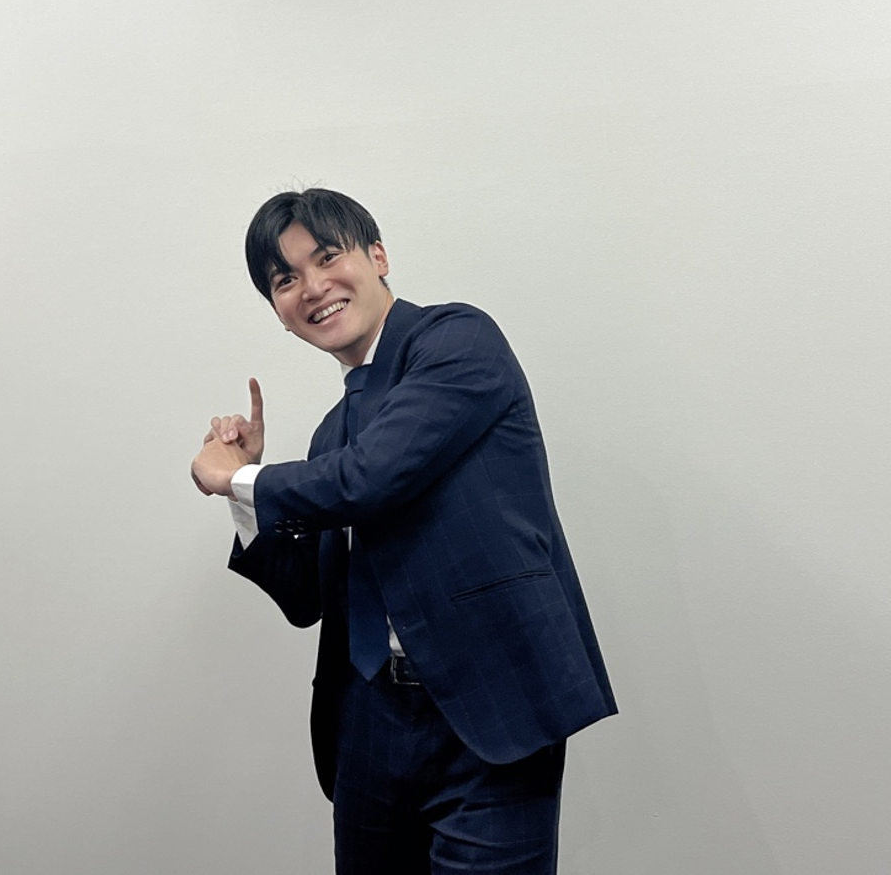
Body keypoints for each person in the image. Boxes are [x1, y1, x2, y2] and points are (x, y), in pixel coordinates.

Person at [190, 188, 615, 874]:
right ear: (278, 313)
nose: (312, 287)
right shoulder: (333, 432)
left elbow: (372, 478)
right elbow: (305, 599)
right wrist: (247, 488)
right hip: (368, 721)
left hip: (488, 709)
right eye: (285, 279)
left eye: (327, 257)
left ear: (379, 256)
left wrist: (237, 479)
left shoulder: (457, 340)